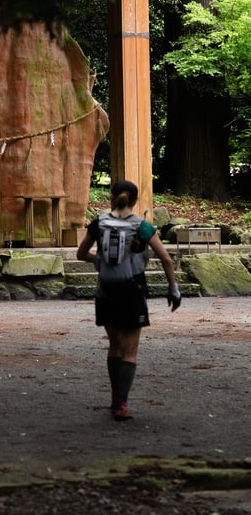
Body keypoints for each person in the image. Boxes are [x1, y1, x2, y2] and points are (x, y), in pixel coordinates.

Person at [76, 179, 181, 422]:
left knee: (114, 346)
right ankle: (122, 403)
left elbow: (81, 254)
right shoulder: (142, 227)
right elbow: (165, 259)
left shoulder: (98, 224)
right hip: (132, 291)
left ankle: (115, 398)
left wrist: (100, 261)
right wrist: (173, 288)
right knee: (130, 351)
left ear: (111, 198)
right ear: (134, 201)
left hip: (106, 291)